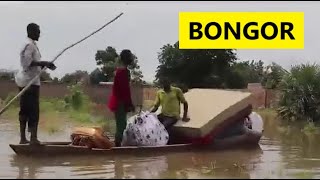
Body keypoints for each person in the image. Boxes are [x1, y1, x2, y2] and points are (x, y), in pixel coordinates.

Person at [15, 23, 56, 145]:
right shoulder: (30, 45)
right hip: (30, 82)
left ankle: (24, 139)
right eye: (38, 31)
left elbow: (31, 63)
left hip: (26, 81)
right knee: (32, 110)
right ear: (31, 32)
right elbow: (27, 62)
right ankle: (32, 139)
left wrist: (43, 64)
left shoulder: (29, 44)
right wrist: (44, 62)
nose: (39, 34)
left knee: (25, 110)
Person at [108, 49, 135, 147]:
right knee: (121, 126)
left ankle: (118, 145)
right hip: (120, 101)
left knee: (121, 124)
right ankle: (117, 147)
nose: (132, 58)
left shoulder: (120, 71)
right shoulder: (124, 72)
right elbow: (125, 90)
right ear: (127, 58)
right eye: (131, 56)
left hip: (118, 101)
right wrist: (129, 104)